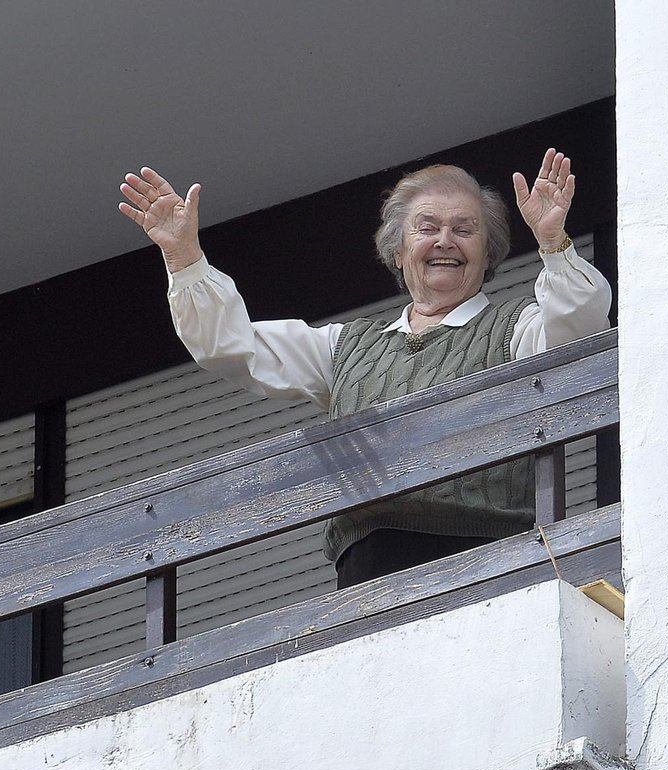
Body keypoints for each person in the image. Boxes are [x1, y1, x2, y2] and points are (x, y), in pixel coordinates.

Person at [118, 149, 611, 589]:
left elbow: (581, 329)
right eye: (427, 227)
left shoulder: (517, 329)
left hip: (489, 559)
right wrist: (184, 258)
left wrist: (553, 241)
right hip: (365, 574)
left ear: (489, 255)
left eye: (464, 229)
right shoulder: (346, 348)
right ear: (397, 251)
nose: (445, 241)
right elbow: (232, 346)